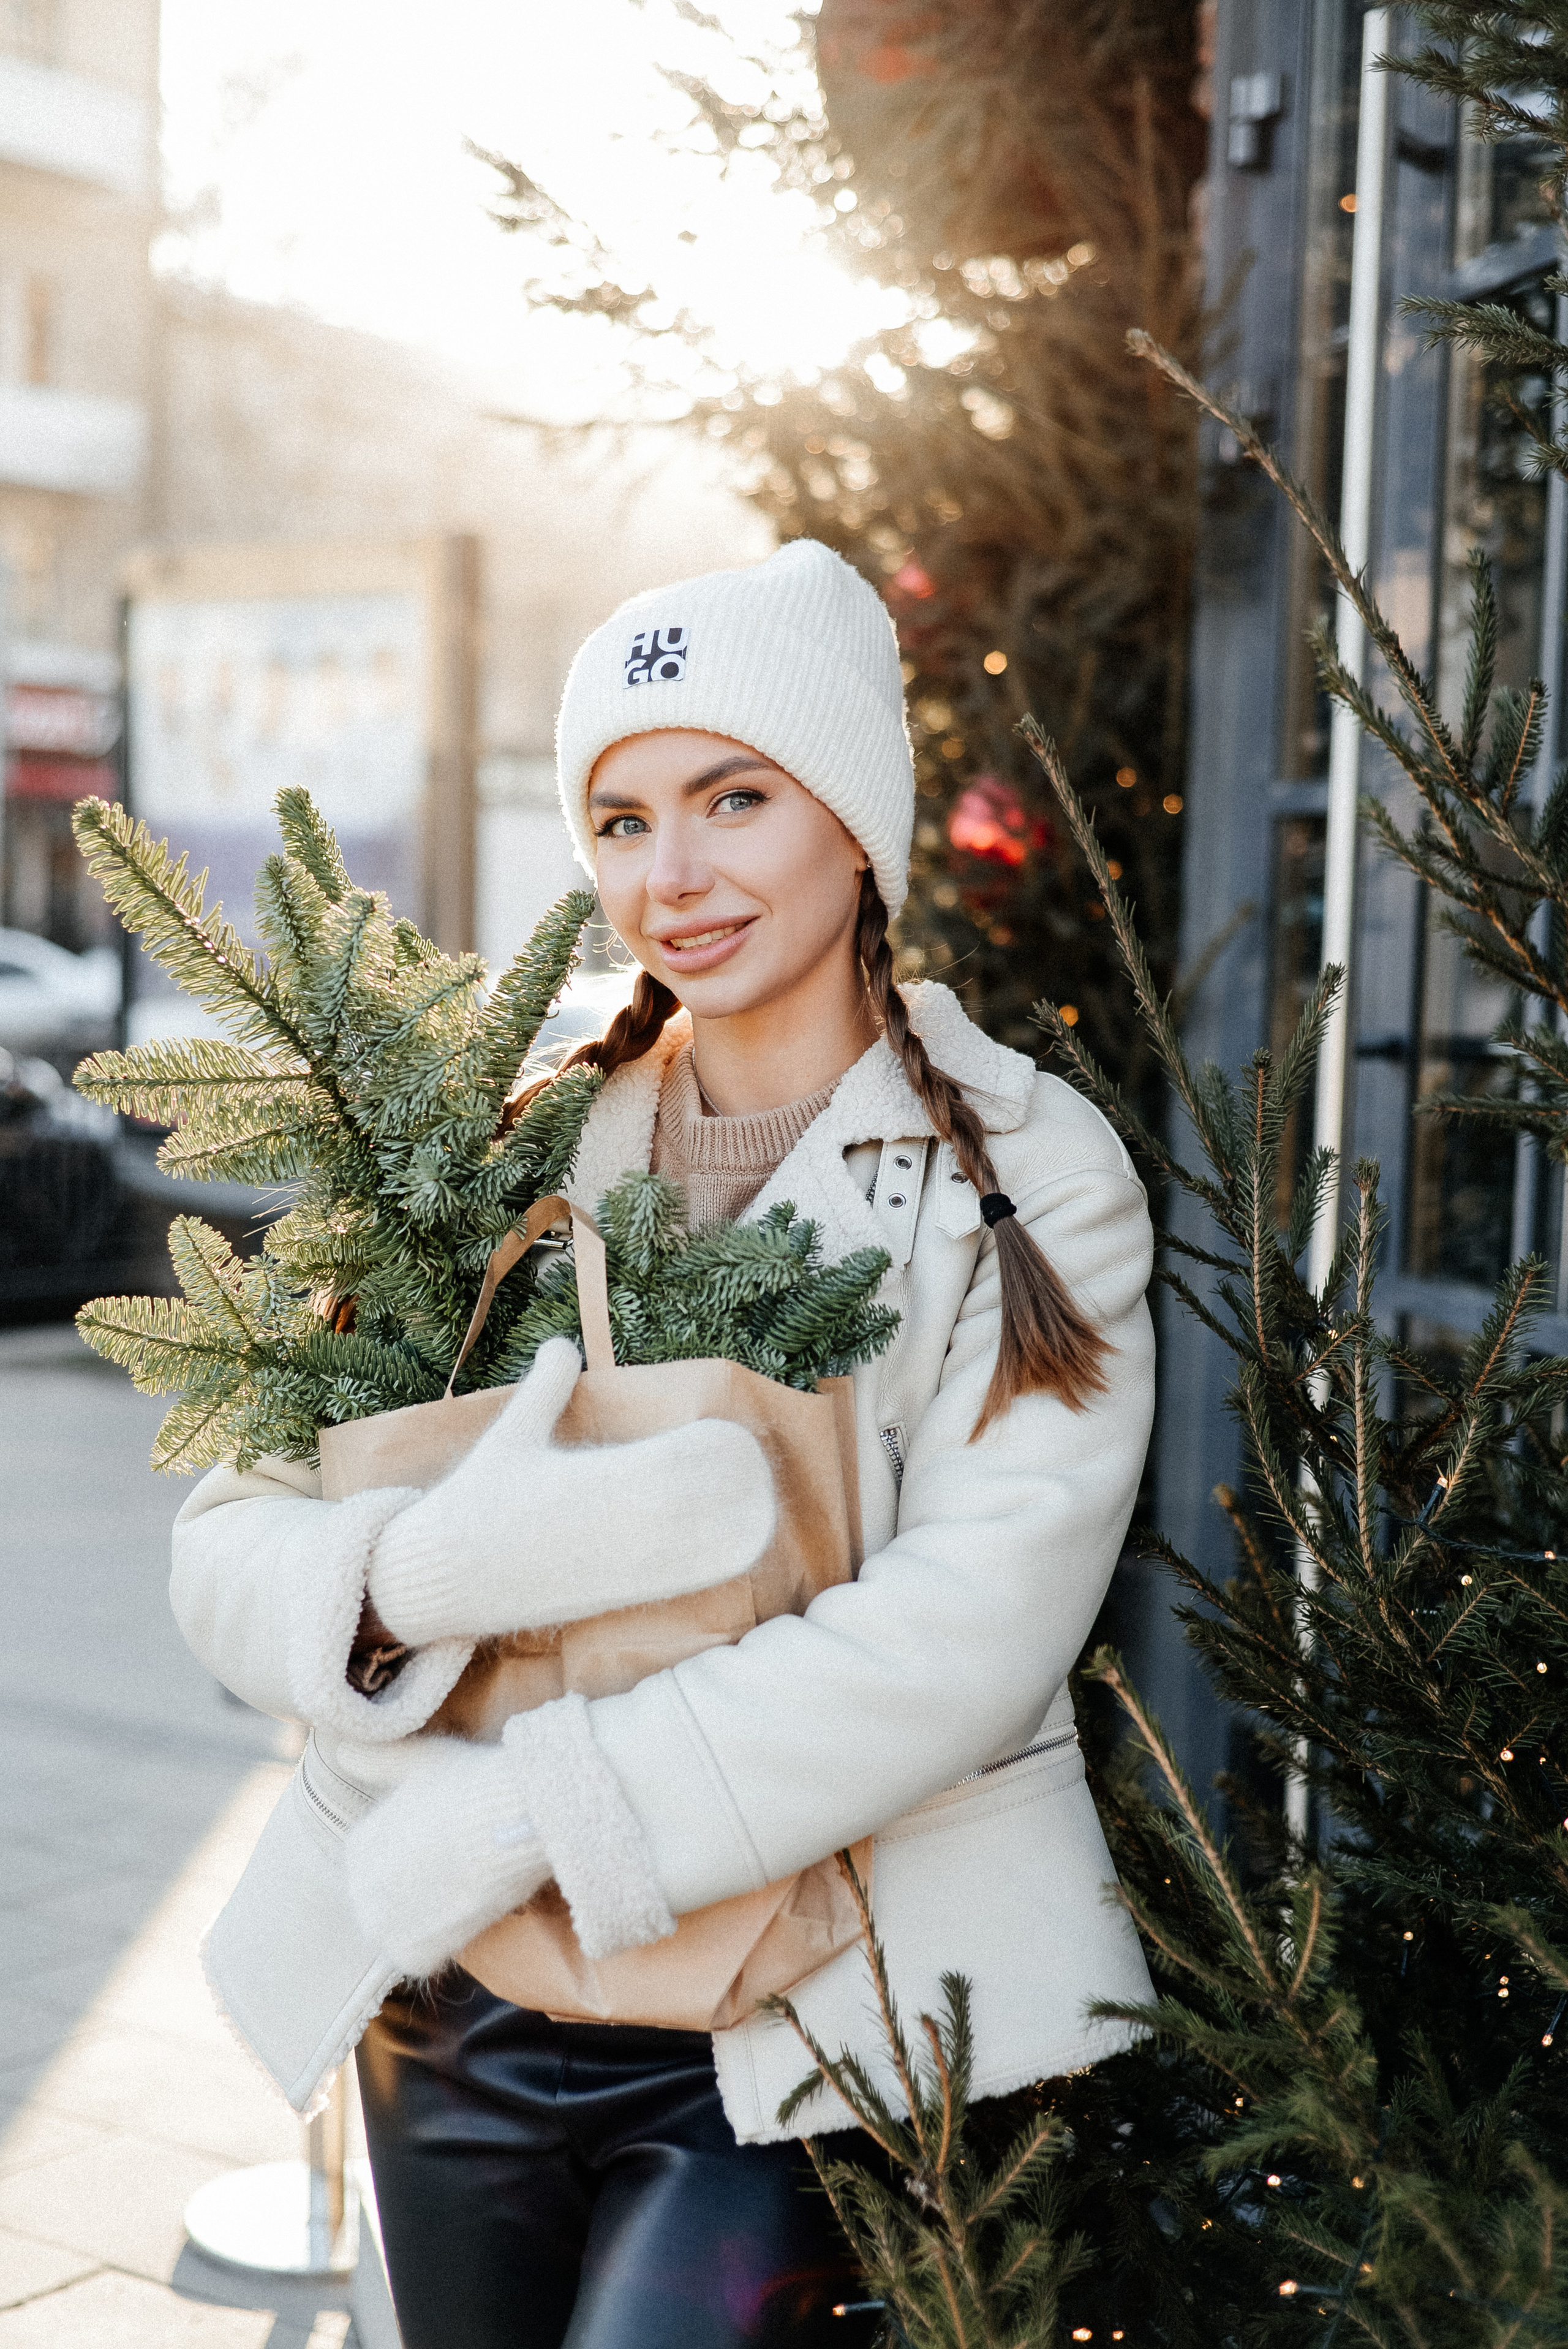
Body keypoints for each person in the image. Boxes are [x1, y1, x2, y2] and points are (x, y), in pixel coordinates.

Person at [169, 540, 1157, 2348]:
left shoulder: (1025, 1181)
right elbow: (231, 1523)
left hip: (792, 2041)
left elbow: (968, 1633)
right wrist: (401, 1579)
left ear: (854, 817)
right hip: (453, 2011)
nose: (672, 874)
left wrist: (545, 1809)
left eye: (734, 797)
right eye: (621, 819)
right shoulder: (508, 1152)